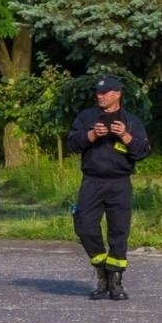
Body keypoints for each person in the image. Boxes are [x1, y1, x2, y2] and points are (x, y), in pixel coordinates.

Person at [65, 74, 150, 301]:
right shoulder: (87, 117)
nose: (100, 96)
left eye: (105, 93)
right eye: (98, 93)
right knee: (84, 226)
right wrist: (91, 135)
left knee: (119, 232)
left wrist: (124, 135)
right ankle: (101, 268)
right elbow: (71, 144)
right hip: (92, 181)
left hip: (119, 183)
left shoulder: (131, 121)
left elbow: (142, 151)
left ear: (117, 94)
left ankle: (115, 282)